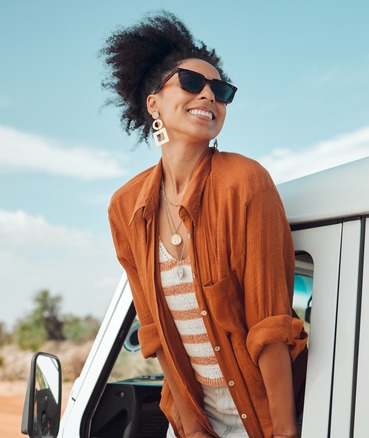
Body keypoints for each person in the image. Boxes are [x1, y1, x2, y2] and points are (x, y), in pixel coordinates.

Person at [103, 12, 307, 438]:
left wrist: (284, 434)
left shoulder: (246, 182)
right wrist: (193, 430)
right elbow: (155, 333)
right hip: (190, 421)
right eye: (192, 83)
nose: (210, 95)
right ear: (153, 102)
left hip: (261, 421)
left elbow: (270, 326)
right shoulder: (126, 207)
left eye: (222, 90)